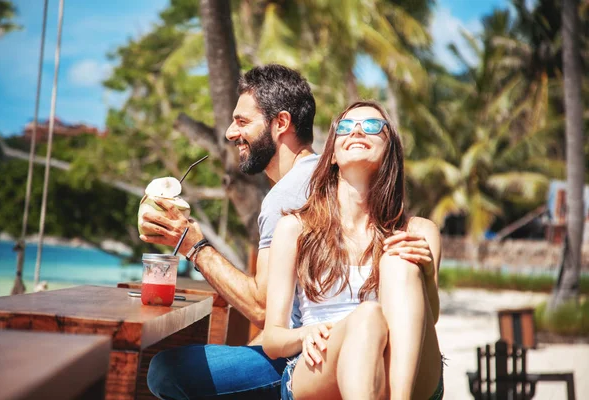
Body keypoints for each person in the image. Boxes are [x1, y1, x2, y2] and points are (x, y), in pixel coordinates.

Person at [140, 64, 434, 399]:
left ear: (281, 123)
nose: (229, 133)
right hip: (320, 347)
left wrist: (194, 246)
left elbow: (263, 309)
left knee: (166, 371)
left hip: (316, 359)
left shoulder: (288, 196)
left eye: (242, 121)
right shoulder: (319, 183)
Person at [262, 100, 444, 400]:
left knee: (399, 261)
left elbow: (429, 319)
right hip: (323, 363)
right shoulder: (295, 228)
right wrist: (306, 333)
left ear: (390, 151)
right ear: (332, 153)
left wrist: (424, 275)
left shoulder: (418, 232)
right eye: (345, 127)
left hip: (402, 369)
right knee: (368, 317)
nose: (357, 131)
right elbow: (272, 338)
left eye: (372, 126)